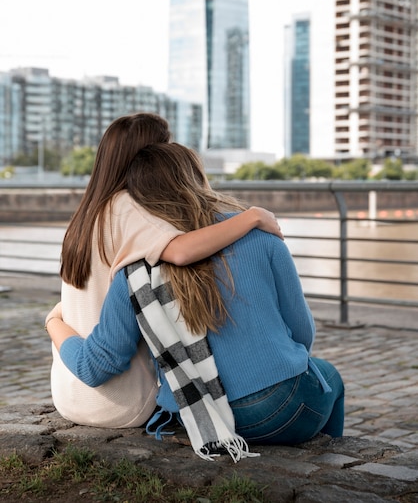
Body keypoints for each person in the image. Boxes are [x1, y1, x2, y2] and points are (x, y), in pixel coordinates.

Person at [46, 141, 344, 456]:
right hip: (284, 406)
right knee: (331, 378)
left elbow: (95, 365)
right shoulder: (261, 237)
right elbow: (302, 333)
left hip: (197, 417)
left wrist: (53, 322)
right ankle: (334, 464)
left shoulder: (132, 274)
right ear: (198, 180)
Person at [48, 113, 283, 429]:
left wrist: (52, 320)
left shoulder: (86, 214)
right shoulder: (127, 208)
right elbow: (181, 250)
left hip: (69, 393)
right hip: (120, 400)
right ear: (150, 156)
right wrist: (252, 217)